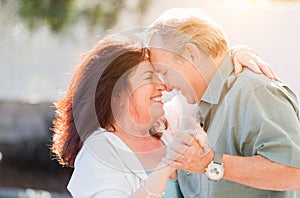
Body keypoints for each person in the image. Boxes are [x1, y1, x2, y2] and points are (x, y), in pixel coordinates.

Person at [51, 32, 275, 197]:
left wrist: (235, 53)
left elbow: (205, 80)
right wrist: (167, 164)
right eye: (149, 77)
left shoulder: (168, 123)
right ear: (116, 94)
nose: (163, 86)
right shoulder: (98, 152)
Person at [147, 8, 300, 197]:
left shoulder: (253, 91)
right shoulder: (198, 105)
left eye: (164, 72)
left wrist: (211, 163)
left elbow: (295, 172)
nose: (166, 86)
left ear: (190, 54)